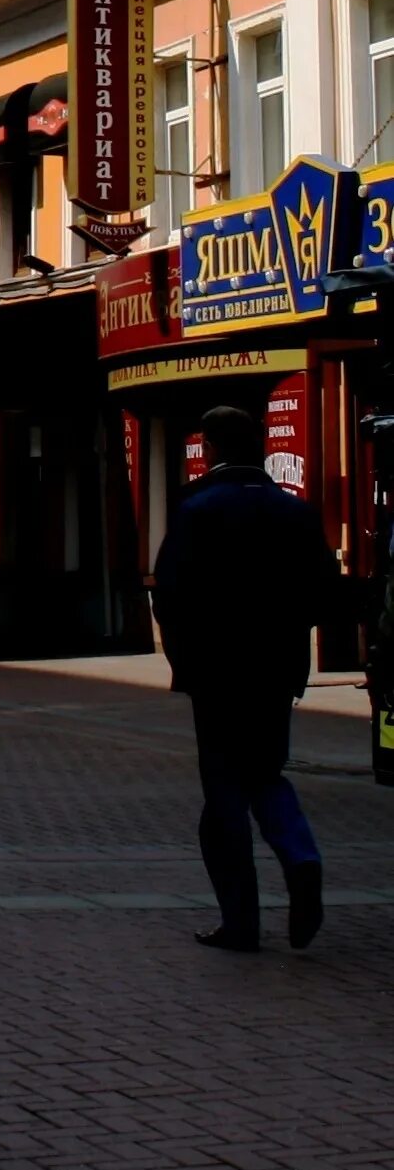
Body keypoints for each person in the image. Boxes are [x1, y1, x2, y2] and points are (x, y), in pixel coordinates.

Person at [152, 402, 333, 954]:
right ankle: (301, 858)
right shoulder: (293, 511)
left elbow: (170, 594)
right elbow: (325, 591)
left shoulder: (197, 509)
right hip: (276, 670)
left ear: (209, 449)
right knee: (266, 773)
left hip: (216, 673)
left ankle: (241, 921)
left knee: (225, 792)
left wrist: (186, 658)